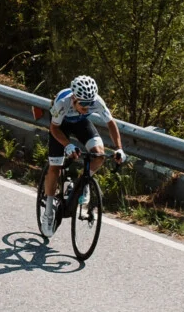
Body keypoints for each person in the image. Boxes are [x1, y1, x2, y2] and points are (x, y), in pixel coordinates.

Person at [39, 75, 125, 225]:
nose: (87, 109)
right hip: (60, 126)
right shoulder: (62, 102)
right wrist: (68, 145)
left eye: (89, 104)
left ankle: (82, 183)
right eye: (83, 105)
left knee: (99, 155)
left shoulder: (96, 101)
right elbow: (54, 128)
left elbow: (111, 123)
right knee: (55, 168)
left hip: (80, 123)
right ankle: (48, 212)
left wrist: (119, 148)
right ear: (74, 98)